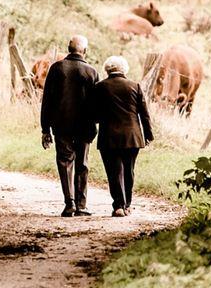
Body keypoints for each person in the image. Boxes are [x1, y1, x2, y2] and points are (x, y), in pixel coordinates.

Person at [40, 35, 99, 217]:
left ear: (68, 48)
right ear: (85, 51)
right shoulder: (91, 72)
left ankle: (69, 203)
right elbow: (97, 103)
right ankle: (82, 205)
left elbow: (47, 101)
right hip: (85, 126)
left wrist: (45, 129)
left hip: (61, 125)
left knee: (65, 162)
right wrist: (95, 123)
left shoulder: (57, 68)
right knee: (82, 163)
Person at [93, 56, 153, 217]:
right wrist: (148, 135)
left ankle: (118, 205)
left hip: (109, 137)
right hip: (132, 136)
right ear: (124, 69)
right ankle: (127, 205)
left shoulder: (99, 87)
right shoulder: (135, 86)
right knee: (129, 170)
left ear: (107, 69)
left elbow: (94, 114)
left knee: (113, 171)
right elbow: (144, 114)